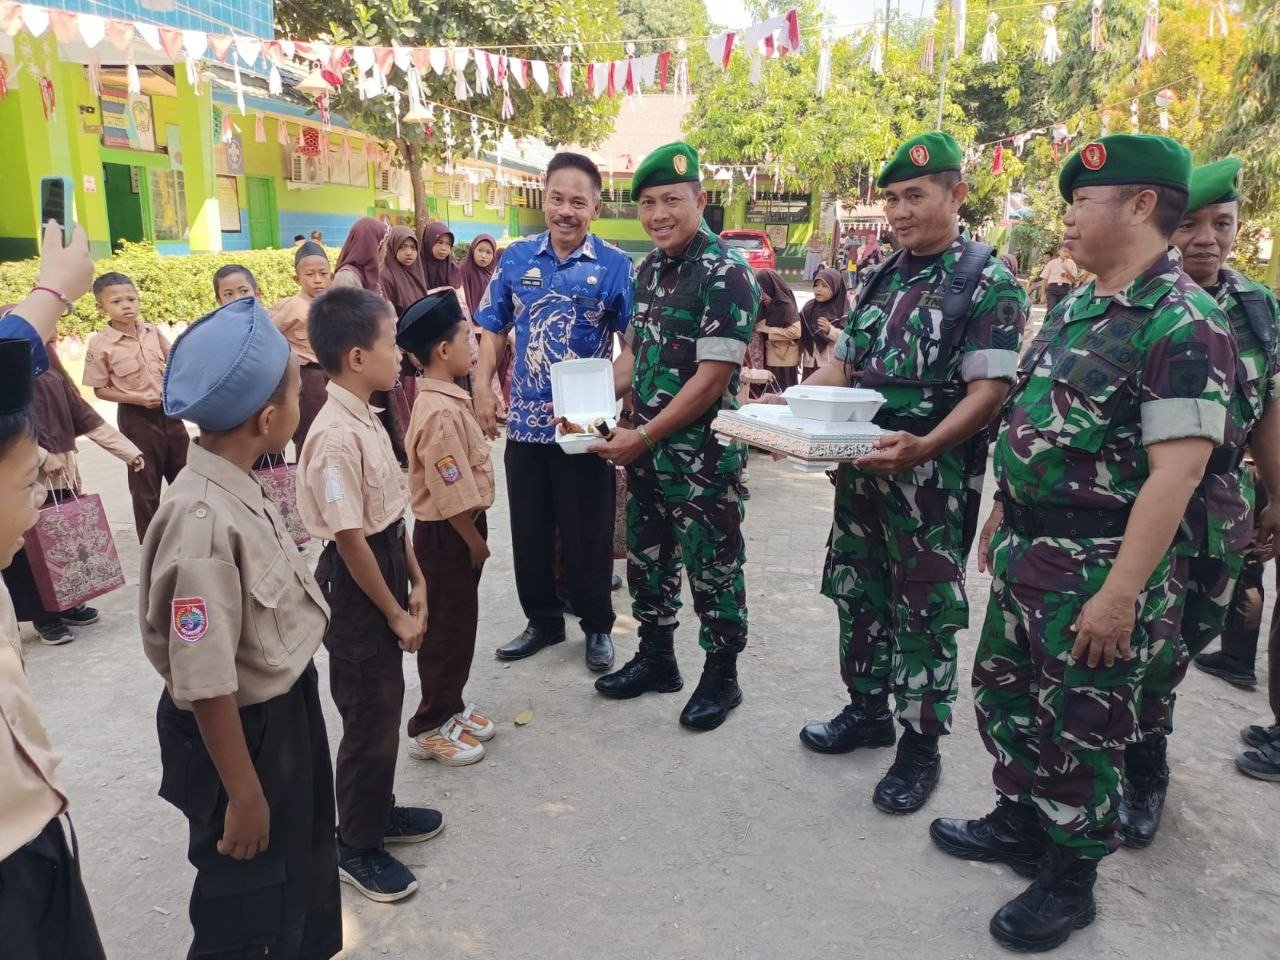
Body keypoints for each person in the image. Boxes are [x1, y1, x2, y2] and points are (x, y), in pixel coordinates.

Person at [930, 135, 1235, 953]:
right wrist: (1003, 510)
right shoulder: (1080, 304)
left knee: (1083, 728)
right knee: (1004, 698)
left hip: (1099, 568)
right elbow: (1035, 421)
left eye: (1080, 203)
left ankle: (1071, 881)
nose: (1065, 219)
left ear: (1139, 206)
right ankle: (1019, 823)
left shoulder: (1185, 321)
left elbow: (1175, 476)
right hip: (1031, 555)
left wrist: (1119, 594)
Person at [795, 132, 1026, 814]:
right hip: (861, 478)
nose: (898, 211)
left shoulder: (989, 281)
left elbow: (991, 392)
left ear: (956, 194)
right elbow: (843, 367)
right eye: (892, 198)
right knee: (857, 594)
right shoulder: (882, 276)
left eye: (914, 197)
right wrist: (793, 408)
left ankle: (918, 747)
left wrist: (924, 447)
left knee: (923, 615)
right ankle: (866, 710)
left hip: (931, 489)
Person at [141, 297, 342, 958]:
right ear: (267, 418)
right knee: (249, 905)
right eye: (296, 391)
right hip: (241, 739)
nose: (303, 401)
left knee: (300, 875)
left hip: (278, 716)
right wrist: (246, 796)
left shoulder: (237, 478)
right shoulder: (200, 522)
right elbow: (205, 682)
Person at [1117, 158, 1280, 845]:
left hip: (1223, 511)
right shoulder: (1141, 301)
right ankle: (1143, 767)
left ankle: (1141, 747)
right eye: (1191, 222)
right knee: (1142, 650)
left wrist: (1275, 497)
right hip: (1150, 504)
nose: (1207, 237)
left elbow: (1268, 407)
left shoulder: (1256, 306)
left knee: (1186, 643)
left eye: (1223, 223)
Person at [587, 141, 759, 731]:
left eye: (671, 201)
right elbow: (633, 357)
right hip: (648, 452)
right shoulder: (650, 270)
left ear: (699, 201)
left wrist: (646, 433)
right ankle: (657, 657)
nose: (658, 214)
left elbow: (712, 381)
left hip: (702, 458)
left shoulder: (728, 274)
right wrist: (583, 408)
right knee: (649, 555)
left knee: (712, 562)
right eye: (648, 203)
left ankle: (722, 675)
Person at [296, 286, 441, 903]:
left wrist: (416, 575)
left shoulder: (368, 414)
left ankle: (376, 811)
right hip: (358, 590)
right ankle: (356, 844)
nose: (402, 357)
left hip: (383, 565)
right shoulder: (333, 436)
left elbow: (387, 517)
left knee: (383, 707)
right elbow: (350, 538)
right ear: (357, 357)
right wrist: (393, 611)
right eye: (391, 345)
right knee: (367, 715)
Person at [472, 152, 634, 674]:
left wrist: (591, 396)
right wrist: (480, 383)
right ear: (544, 198)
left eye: (578, 201)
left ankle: (596, 627)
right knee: (530, 527)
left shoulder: (613, 267)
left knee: (587, 528)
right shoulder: (516, 259)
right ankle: (542, 620)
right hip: (524, 426)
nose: (566, 211)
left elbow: (634, 348)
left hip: (585, 429)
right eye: (557, 198)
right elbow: (491, 330)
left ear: (596, 207)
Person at [0, 225, 109, 960]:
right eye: (25, 483)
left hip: (34, 829)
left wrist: (49, 298)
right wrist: (49, 294)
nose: (39, 506)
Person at [398, 289, 496, 765]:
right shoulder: (437, 412)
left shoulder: (446, 398)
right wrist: (474, 542)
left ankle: (451, 706)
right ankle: (429, 724)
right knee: (445, 633)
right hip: (449, 535)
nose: (472, 347)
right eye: (465, 339)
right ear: (442, 351)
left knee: (461, 625)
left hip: (458, 530)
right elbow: (449, 487)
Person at [2, 336, 142, 645]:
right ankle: (43, 617)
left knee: (61, 543)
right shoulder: (7, 380)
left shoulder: (52, 374)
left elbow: (88, 420)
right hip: (20, 482)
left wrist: (130, 452)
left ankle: (66, 603)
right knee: (27, 552)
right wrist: (40, 455)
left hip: (62, 479)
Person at [82, 272, 189, 541]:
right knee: (145, 483)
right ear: (101, 307)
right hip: (136, 419)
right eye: (116, 301)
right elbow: (99, 389)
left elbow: (175, 361)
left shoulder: (152, 332)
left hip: (170, 413)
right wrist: (138, 399)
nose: (126, 305)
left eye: (131, 299)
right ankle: (153, 544)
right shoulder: (101, 344)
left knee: (186, 474)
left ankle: (192, 533)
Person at [268, 242, 333, 456]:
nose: (317, 280)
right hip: (307, 378)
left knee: (330, 432)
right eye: (310, 274)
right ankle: (307, 479)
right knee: (310, 433)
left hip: (330, 375)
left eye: (323, 273)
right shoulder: (293, 306)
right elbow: (269, 334)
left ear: (330, 275)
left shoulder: (332, 304)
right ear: (297, 279)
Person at [754, 268, 803, 392]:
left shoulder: (785, 305)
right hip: (768, 360)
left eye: (764, 291)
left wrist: (768, 330)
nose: (762, 295)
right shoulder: (764, 306)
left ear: (772, 287)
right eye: (758, 291)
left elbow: (796, 332)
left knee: (781, 396)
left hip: (784, 361)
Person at [799, 267, 846, 381]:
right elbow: (801, 335)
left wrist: (830, 331)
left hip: (831, 366)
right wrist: (797, 356)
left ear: (835, 287)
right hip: (810, 363)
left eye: (825, 286)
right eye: (816, 285)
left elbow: (849, 340)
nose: (818, 290)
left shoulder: (843, 310)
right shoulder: (808, 308)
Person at [332, 216, 388, 294]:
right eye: (384, 244)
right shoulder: (346, 278)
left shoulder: (369, 274)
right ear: (371, 245)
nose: (386, 249)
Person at [1040, 245, 1078, 310]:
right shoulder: (1052, 263)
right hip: (1052, 288)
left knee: (1061, 310)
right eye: (1064, 251)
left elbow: (1073, 280)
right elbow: (1044, 278)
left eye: (1068, 252)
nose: (1066, 253)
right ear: (1059, 252)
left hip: (1065, 288)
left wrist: (1067, 272)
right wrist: (1042, 294)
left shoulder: (1072, 263)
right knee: (1051, 309)